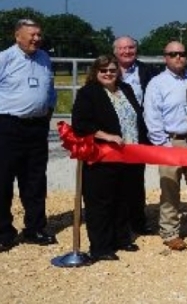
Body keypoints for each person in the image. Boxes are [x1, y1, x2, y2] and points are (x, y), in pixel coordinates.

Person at [71, 55, 147, 261]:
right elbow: (80, 124)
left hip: (128, 155)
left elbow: (137, 118)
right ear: (96, 72)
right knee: (100, 202)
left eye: (112, 70)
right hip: (101, 156)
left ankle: (121, 238)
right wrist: (107, 136)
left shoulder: (126, 90)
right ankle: (101, 246)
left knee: (123, 198)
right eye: (103, 70)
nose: (108, 73)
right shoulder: (88, 93)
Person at [0, 18, 58, 251]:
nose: (36, 38)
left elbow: (50, 90)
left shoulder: (44, 58)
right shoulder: (5, 58)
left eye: (38, 34)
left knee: (35, 180)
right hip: (7, 126)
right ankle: (4, 232)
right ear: (17, 36)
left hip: (37, 128)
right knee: (3, 181)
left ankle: (35, 228)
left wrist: (47, 113)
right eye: (31, 34)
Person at [143, 41, 187, 251]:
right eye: (173, 54)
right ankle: (170, 231)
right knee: (169, 188)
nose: (178, 57)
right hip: (170, 140)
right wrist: (164, 144)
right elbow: (152, 116)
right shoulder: (157, 84)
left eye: (182, 54)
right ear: (165, 57)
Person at [112, 35, 156, 236]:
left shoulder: (148, 71)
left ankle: (137, 221)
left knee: (136, 180)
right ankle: (117, 221)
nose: (127, 51)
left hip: (138, 133)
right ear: (115, 51)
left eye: (130, 47)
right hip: (112, 133)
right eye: (122, 48)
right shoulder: (107, 70)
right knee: (114, 178)